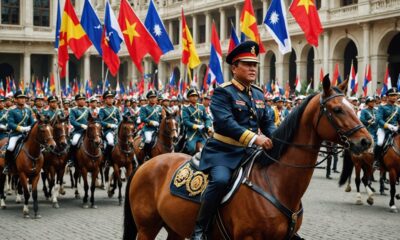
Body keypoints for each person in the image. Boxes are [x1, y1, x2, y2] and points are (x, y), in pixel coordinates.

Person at [191, 41, 276, 240]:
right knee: (220, 181)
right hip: (224, 152)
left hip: (250, 153)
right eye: (247, 64)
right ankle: (200, 229)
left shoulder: (258, 93)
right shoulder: (223, 91)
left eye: (254, 64)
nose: (252, 68)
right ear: (234, 67)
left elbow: (268, 122)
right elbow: (226, 122)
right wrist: (256, 138)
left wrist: (278, 139)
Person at [3, 90, 35, 174]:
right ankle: (7, 165)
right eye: (20, 98)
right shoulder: (12, 110)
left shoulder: (28, 110)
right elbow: (10, 124)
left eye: (24, 98)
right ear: (16, 100)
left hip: (27, 134)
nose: (23, 100)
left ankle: (37, 164)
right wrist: (21, 128)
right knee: (10, 147)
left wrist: (30, 127)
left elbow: (32, 122)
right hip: (15, 134)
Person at [182, 88, 212, 155]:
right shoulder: (186, 108)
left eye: (196, 96)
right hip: (192, 133)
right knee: (191, 148)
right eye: (192, 96)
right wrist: (196, 126)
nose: (195, 98)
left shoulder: (201, 107)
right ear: (188, 98)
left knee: (210, 147)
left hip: (202, 133)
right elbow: (185, 121)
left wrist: (208, 126)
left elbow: (207, 118)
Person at [375, 88, 400, 168]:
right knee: (380, 142)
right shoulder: (382, 107)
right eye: (392, 95)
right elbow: (378, 119)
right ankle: (376, 160)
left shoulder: (398, 108)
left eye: (395, 95)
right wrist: (389, 126)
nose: (394, 97)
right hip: (383, 129)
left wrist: (398, 127)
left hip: (395, 129)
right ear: (387, 97)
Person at [99, 91, 121, 166]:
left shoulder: (116, 109)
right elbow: (100, 121)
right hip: (107, 131)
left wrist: (117, 125)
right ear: (105, 100)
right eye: (109, 98)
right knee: (111, 142)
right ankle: (106, 158)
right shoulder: (102, 110)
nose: (111, 99)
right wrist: (109, 125)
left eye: (112, 98)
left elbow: (120, 119)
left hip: (116, 129)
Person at [68, 94, 89, 167]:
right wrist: (81, 125)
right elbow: (72, 121)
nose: (82, 101)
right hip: (78, 131)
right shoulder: (73, 110)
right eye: (80, 99)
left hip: (87, 130)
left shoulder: (87, 109)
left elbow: (90, 119)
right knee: (74, 142)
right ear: (76, 101)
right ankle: (72, 159)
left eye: (83, 99)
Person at [139, 90, 161, 160]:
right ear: (148, 99)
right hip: (148, 129)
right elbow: (142, 118)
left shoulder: (159, 107)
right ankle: (147, 155)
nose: (153, 99)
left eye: (154, 97)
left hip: (158, 129)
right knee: (148, 140)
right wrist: (152, 122)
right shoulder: (144, 107)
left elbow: (162, 117)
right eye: (151, 97)